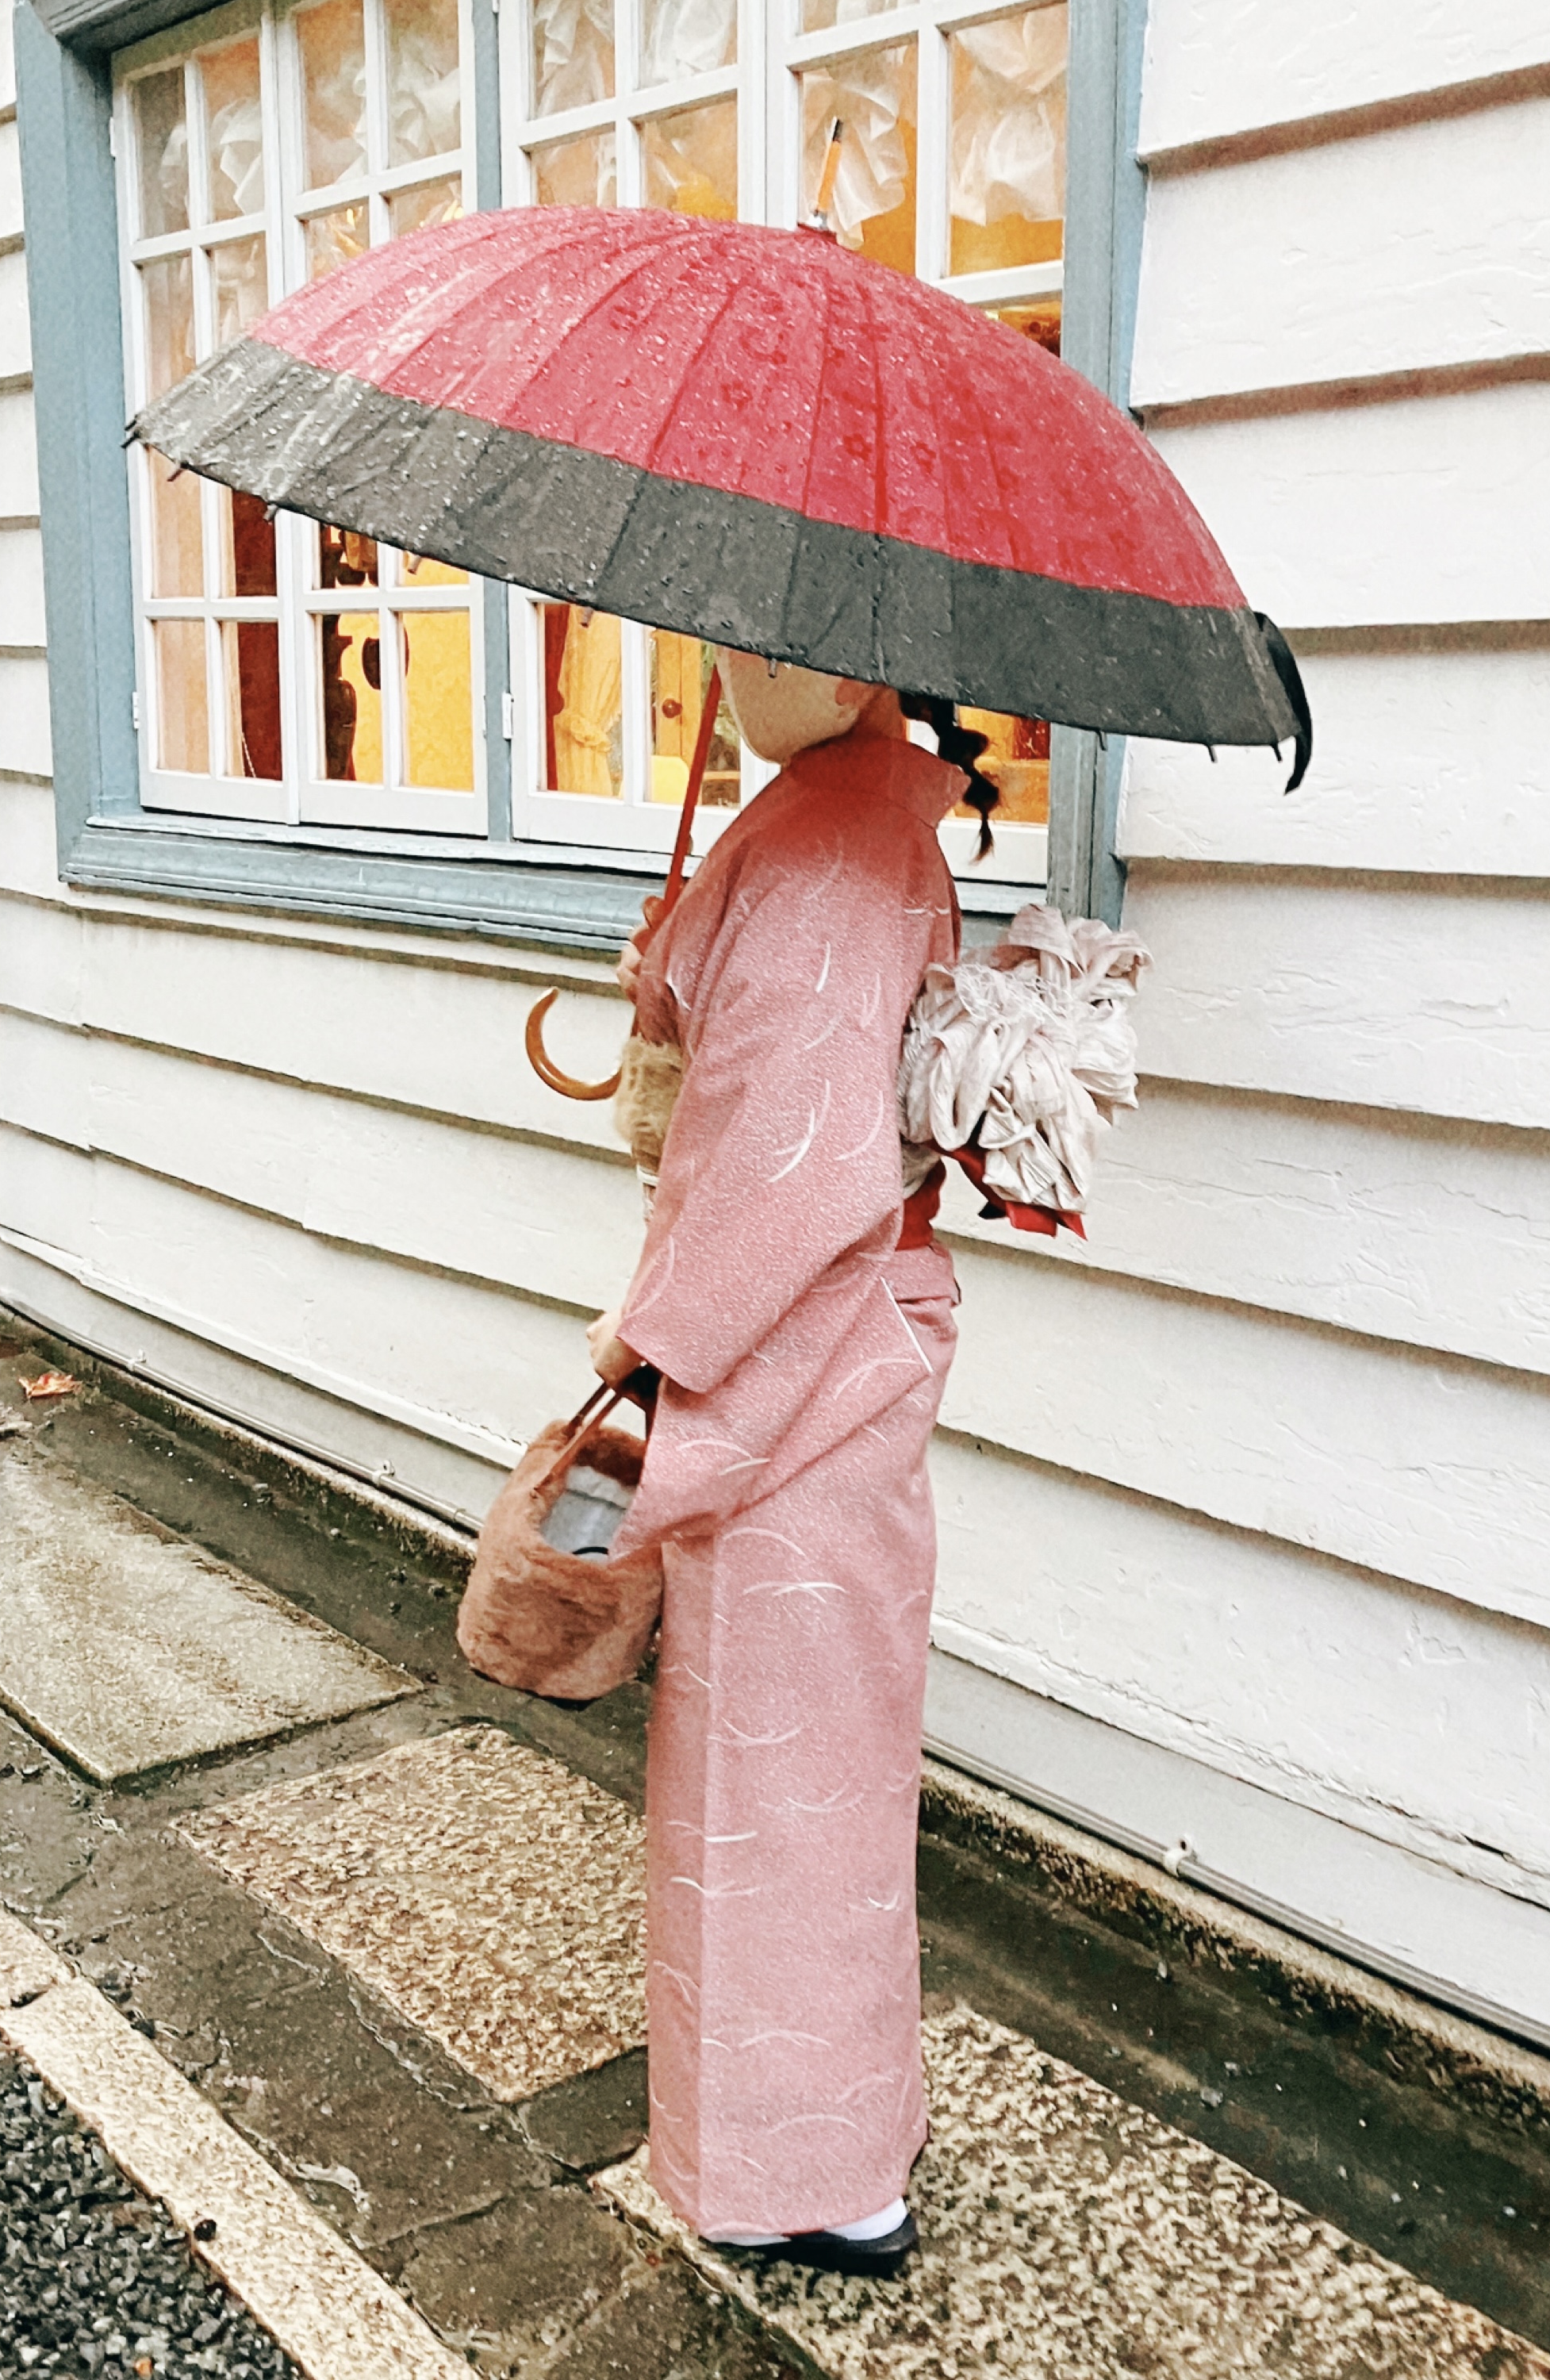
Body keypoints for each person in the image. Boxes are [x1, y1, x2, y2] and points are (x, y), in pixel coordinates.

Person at [588, 654, 992, 2280]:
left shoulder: (826, 851)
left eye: (746, 648)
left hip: (797, 1354)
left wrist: (651, 1341)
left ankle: (793, 2173)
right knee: (821, 1759)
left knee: (771, 1779)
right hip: (849, 1347)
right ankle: (829, 2142)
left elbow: (779, 1166)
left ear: (835, 662)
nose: (723, 674)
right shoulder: (854, 819)